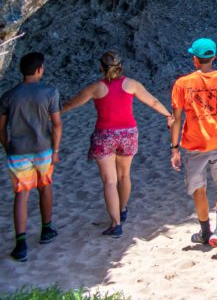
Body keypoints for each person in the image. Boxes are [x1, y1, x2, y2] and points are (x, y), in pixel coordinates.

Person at [61, 51, 171, 237]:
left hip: (105, 135)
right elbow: (152, 101)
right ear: (121, 66)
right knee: (124, 175)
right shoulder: (131, 84)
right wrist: (168, 115)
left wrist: (52, 113)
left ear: (100, 67)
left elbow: (71, 104)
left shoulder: (96, 88)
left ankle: (116, 224)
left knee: (109, 182)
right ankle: (122, 209)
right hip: (128, 134)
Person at [170, 38, 217, 255]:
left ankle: (205, 232)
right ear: (214, 57)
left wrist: (174, 148)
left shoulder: (182, 84)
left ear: (195, 59)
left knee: (199, 188)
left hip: (194, 143)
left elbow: (176, 118)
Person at [0, 52, 60, 262]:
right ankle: (46, 230)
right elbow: (57, 125)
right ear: (39, 70)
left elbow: (1, 129)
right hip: (43, 149)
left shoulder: (8, 95)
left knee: (21, 194)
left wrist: (9, 147)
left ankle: (21, 243)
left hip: (17, 150)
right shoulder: (49, 92)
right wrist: (56, 151)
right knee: (45, 186)